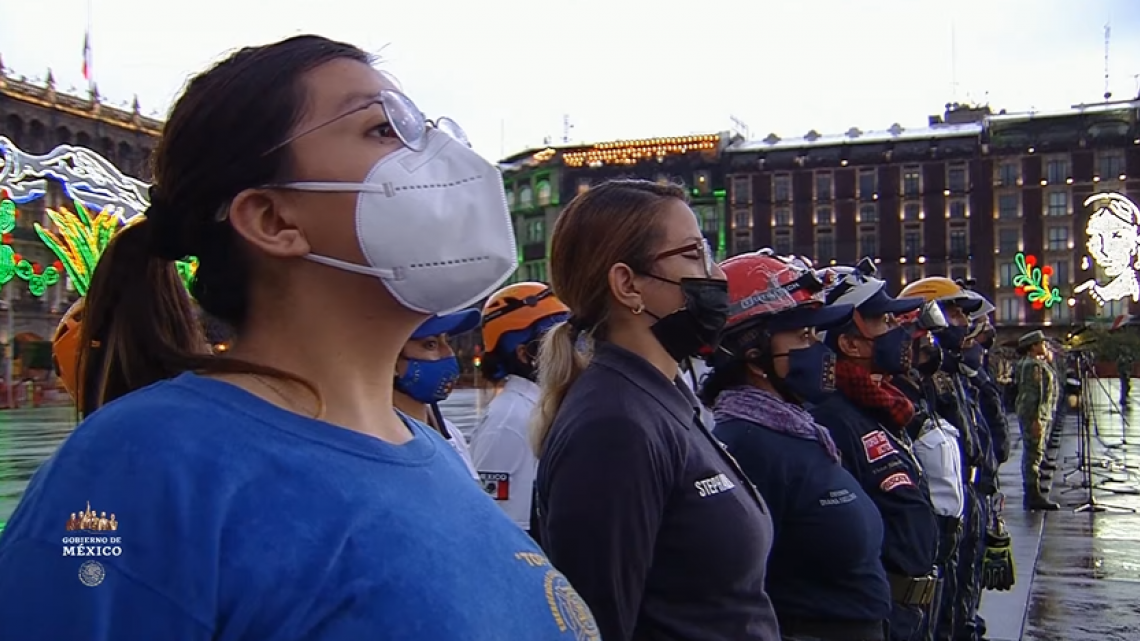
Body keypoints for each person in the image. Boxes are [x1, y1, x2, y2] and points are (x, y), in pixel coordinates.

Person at [0, 35, 600, 641]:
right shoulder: (138, 470)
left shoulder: (434, 451)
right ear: (273, 219)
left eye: (422, 125)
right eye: (384, 129)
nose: (438, 154)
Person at [533, 179, 780, 641]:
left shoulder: (660, 398)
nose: (717, 275)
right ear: (627, 284)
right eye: (693, 255)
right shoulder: (615, 427)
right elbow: (597, 624)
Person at [701, 251, 890, 641]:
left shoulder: (800, 430)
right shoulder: (745, 445)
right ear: (754, 357)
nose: (819, 349)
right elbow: (737, 587)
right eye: (803, 336)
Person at [809, 263, 938, 641]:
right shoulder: (832, 418)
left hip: (909, 611)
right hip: (880, 615)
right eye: (883, 321)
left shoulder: (883, 407)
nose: (899, 332)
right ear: (849, 343)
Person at [469, 282, 569, 537]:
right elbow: (500, 530)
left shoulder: (545, 407)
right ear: (525, 354)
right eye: (557, 340)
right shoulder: (510, 422)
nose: (572, 350)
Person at [393, 309, 482, 479]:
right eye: (430, 345)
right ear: (392, 358)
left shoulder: (450, 432)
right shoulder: (382, 441)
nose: (448, 354)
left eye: (447, 341)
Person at [1015, 330, 1061, 511]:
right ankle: (1032, 494)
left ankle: (1033, 489)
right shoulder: (1032, 366)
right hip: (1034, 414)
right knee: (1033, 453)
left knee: (1035, 452)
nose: (1045, 345)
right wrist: (1035, 419)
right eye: (1041, 343)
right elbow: (1032, 395)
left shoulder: (1035, 363)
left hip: (1038, 413)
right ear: (1033, 346)